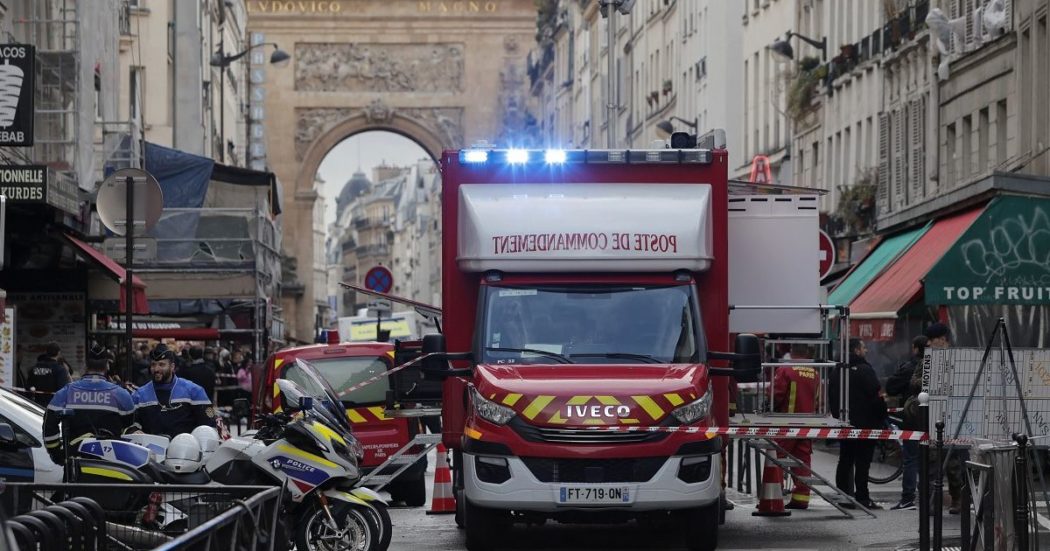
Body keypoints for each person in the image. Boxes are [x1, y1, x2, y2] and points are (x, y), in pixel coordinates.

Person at [42, 343, 136, 463]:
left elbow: (49, 425)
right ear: (107, 365)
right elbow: (128, 428)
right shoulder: (121, 394)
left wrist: (58, 454)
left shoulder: (66, 392)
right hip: (112, 465)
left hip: (76, 465)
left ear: (86, 365)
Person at [829, 338, 887, 509]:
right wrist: (881, 414)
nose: (866, 350)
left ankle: (843, 496)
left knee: (845, 459)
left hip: (844, 422)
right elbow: (875, 395)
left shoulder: (836, 370)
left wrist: (837, 416)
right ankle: (862, 497)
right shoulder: (864, 370)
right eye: (863, 347)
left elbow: (831, 395)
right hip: (865, 424)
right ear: (856, 350)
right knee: (862, 462)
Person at [917, 322, 963, 514]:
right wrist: (929, 382)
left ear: (942, 339)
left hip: (953, 419)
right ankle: (930, 503)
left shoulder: (958, 359)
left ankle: (958, 500)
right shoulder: (925, 361)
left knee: (954, 464)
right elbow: (914, 382)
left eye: (931, 339)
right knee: (931, 465)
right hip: (931, 418)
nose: (928, 343)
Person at [131, 343, 216, 439]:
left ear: (172, 367)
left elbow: (209, 425)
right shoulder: (139, 395)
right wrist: (134, 431)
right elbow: (132, 423)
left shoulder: (194, 391)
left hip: (186, 450)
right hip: (152, 451)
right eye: (153, 364)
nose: (156, 369)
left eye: (162, 364)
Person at [773, 344, 820, 509]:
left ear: (791, 352)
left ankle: (773, 497)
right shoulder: (814, 372)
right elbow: (818, 399)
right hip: (807, 422)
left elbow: (776, 394)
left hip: (787, 422)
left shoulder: (785, 369)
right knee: (803, 460)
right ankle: (801, 498)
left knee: (776, 457)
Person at [886, 335, 928, 510]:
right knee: (929, 459)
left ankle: (908, 498)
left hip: (912, 418)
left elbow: (891, 387)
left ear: (916, 349)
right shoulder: (938, 365)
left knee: (911, 458)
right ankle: (928, 497)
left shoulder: (910, 367)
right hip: (933, 419)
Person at [26, 342, 71, 407]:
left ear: (46, 352)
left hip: (37, 405)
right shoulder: (60, 369)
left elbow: (28, 385)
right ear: (59, 353)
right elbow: (63, 390)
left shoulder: (36, 367)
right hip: (54, 406)